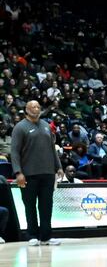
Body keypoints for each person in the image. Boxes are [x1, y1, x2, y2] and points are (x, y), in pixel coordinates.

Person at [10, 100, 62, 246]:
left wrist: (58, 167)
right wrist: (18, 172)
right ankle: (32, 235)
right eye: (33, 107)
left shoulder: (46, 126)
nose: (36, 109)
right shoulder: (20, 127)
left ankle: (46, 236)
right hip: (28, 174)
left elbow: (52, 149)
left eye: (38, 107)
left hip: (47, 173)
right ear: (26, 110)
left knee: (46, 206)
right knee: (30, 206)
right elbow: (14, 152)